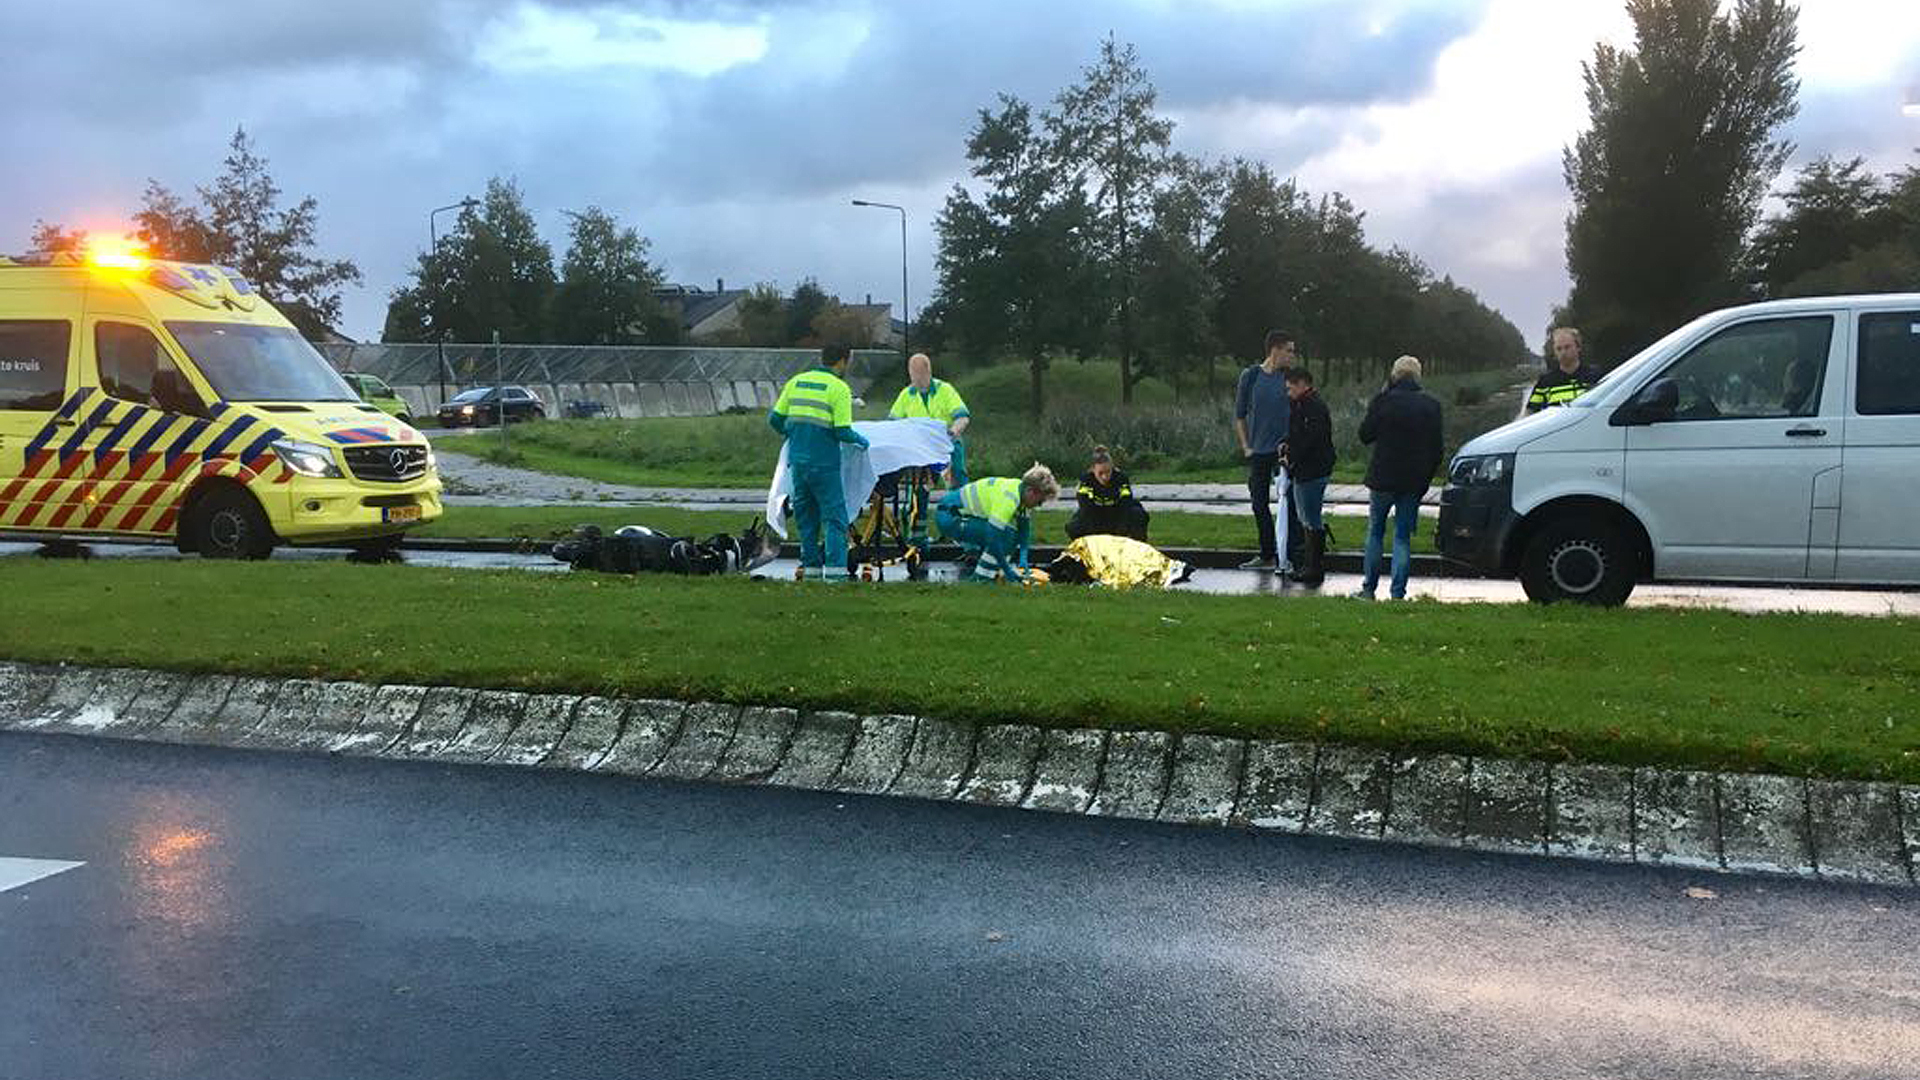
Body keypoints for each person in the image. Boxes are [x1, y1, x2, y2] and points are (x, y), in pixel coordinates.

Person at [769, 344, 870, 581]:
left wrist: (793, 435)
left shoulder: (796, 382)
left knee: (806, 517)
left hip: (799, 463)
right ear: (843, 361)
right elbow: (843, 431)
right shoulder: (839, 388)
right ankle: (835, 575)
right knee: (835, 519)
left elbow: (774, 419)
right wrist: (863, 441)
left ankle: (811, 570)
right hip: (825, 465)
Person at [1356, 355, 1443, 601]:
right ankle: (1397, 594)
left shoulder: (1384, 401)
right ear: (1418, 376)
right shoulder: (1431, 405)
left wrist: (1381, 396)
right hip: (1412, 481)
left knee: (1375, 531)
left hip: (1382, 477)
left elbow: (1365, 435)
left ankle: (1368, 589)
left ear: (1394, 375)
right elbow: (1437, 449)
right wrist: (1425, 478)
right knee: (1402, 536)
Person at [1235, 329, 1303, 571]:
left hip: (1285, 451)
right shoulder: (1251, 376)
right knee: (1258, 502)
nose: (1293, 355)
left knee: (1290, 504)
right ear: (1275, 350)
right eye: (1289, 350)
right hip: (1259, 451)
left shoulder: (1291, 378)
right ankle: (1266, 553)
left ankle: (1292, 556)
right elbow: (1240, 414)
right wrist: (1246, 446)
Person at [935, 465, 1060, 583]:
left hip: (958, 515)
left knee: (1010, 535)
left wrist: (1023, 558)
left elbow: (1024, 530)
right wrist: (1007, 569)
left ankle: (986, 574)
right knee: (1006, 537)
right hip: (949, 516)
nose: (1038, 506)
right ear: (1031, 491)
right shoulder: (1009, 498)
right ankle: (981, 579)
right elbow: (992, 538)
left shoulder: (1021, 490)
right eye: (1040, 501)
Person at [1280, 367, 1334, 587]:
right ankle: (1309, 564)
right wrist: (1287, 442)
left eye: (1290, 387)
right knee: (1307, 517)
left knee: (1310, 518)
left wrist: (1290, 457)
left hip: (1312, 469)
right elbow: (1297, 433)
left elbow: (1311, 439)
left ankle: (1313, 567)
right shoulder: (1302, 404)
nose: (1288, 392)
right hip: (1307, 468)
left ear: (1302, 384)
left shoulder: (1312, 407)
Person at [888, 353, 971, 484]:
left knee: (957, 475)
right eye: (913, 374)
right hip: (920, 446)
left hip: (946, 441)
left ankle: (959, 498)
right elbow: (892, 424)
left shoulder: (945, 390)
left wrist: (952, 432)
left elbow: (963, 418)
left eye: (919, 374)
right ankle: (919, 500)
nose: (916, 378)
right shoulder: (906, 394)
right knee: (920, 483)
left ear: (928, 371)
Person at [1065, 445, 1149, 541]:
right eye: (1100, 473)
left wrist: (1120, 534)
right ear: (1093, 470)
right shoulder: (1085, 481)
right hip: (1096, 515)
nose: (1105, 477)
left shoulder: (1122, 479)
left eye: (1108, 472)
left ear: (1112, 468)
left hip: (1117, 514)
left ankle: (1137, 548)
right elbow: (1085, 507)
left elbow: (1126, 504)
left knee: (1138, 514)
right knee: (1073, 526)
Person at [1526, 327, 1603, 413]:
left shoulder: (1594, 376)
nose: (1563, 352)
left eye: (1567, 347)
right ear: (1555, 352)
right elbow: (1530, 413)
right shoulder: (1545, 382)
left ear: (1578, 347)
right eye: (1559, 349)